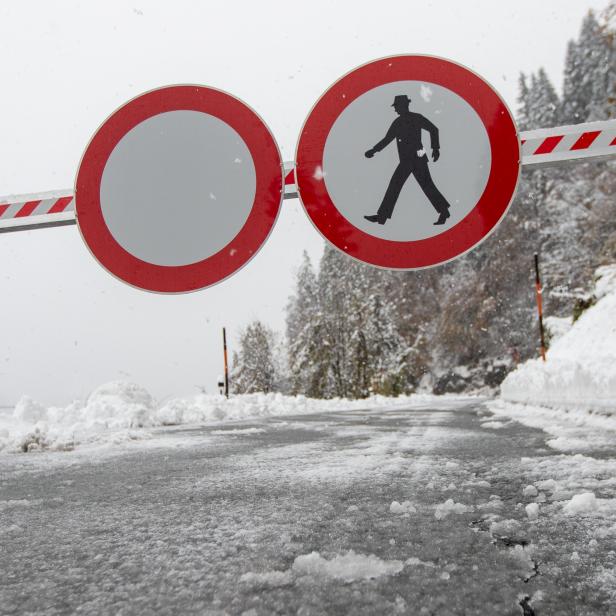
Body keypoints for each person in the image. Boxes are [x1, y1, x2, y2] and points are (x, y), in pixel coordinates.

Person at [364, 94, 451, 226]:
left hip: (417, 158)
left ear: (403, 106)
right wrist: (374, 150)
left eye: (397, 106)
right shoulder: (398, 122)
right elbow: (387, 139)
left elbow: (433, 129)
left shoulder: (415, 118)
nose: (395, 109)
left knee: (418, 185)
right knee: (402, 185)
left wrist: (435, 148)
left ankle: (382, 217)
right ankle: (382, 217)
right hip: (408, 160)